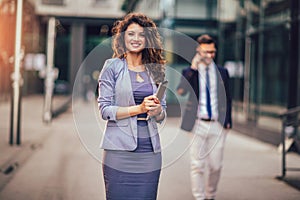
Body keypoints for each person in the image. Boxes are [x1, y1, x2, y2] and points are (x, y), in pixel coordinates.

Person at [97, 13, 167, 200]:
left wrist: (158, 111)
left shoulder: (156, 68)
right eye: (131, 34)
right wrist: (140, 109)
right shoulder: (112, 66)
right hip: (118, 152)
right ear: (122, 37)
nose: (136, 39)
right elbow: (105, 110)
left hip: (149, 152)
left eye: (141, 35)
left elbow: (162, 113)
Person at [177, 34, 232, 200]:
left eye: (212, 52)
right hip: (197, 124)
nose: (209, 55)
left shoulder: (222, 72)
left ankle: (211, 195)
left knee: (216, 166)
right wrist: (193, 69)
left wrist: (228, 121)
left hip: (217, 124)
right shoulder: (189, 71)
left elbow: (228, 98)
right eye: (206, 52)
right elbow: (181, 91)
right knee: (197, 165)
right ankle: (200, 197)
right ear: (198, 51)